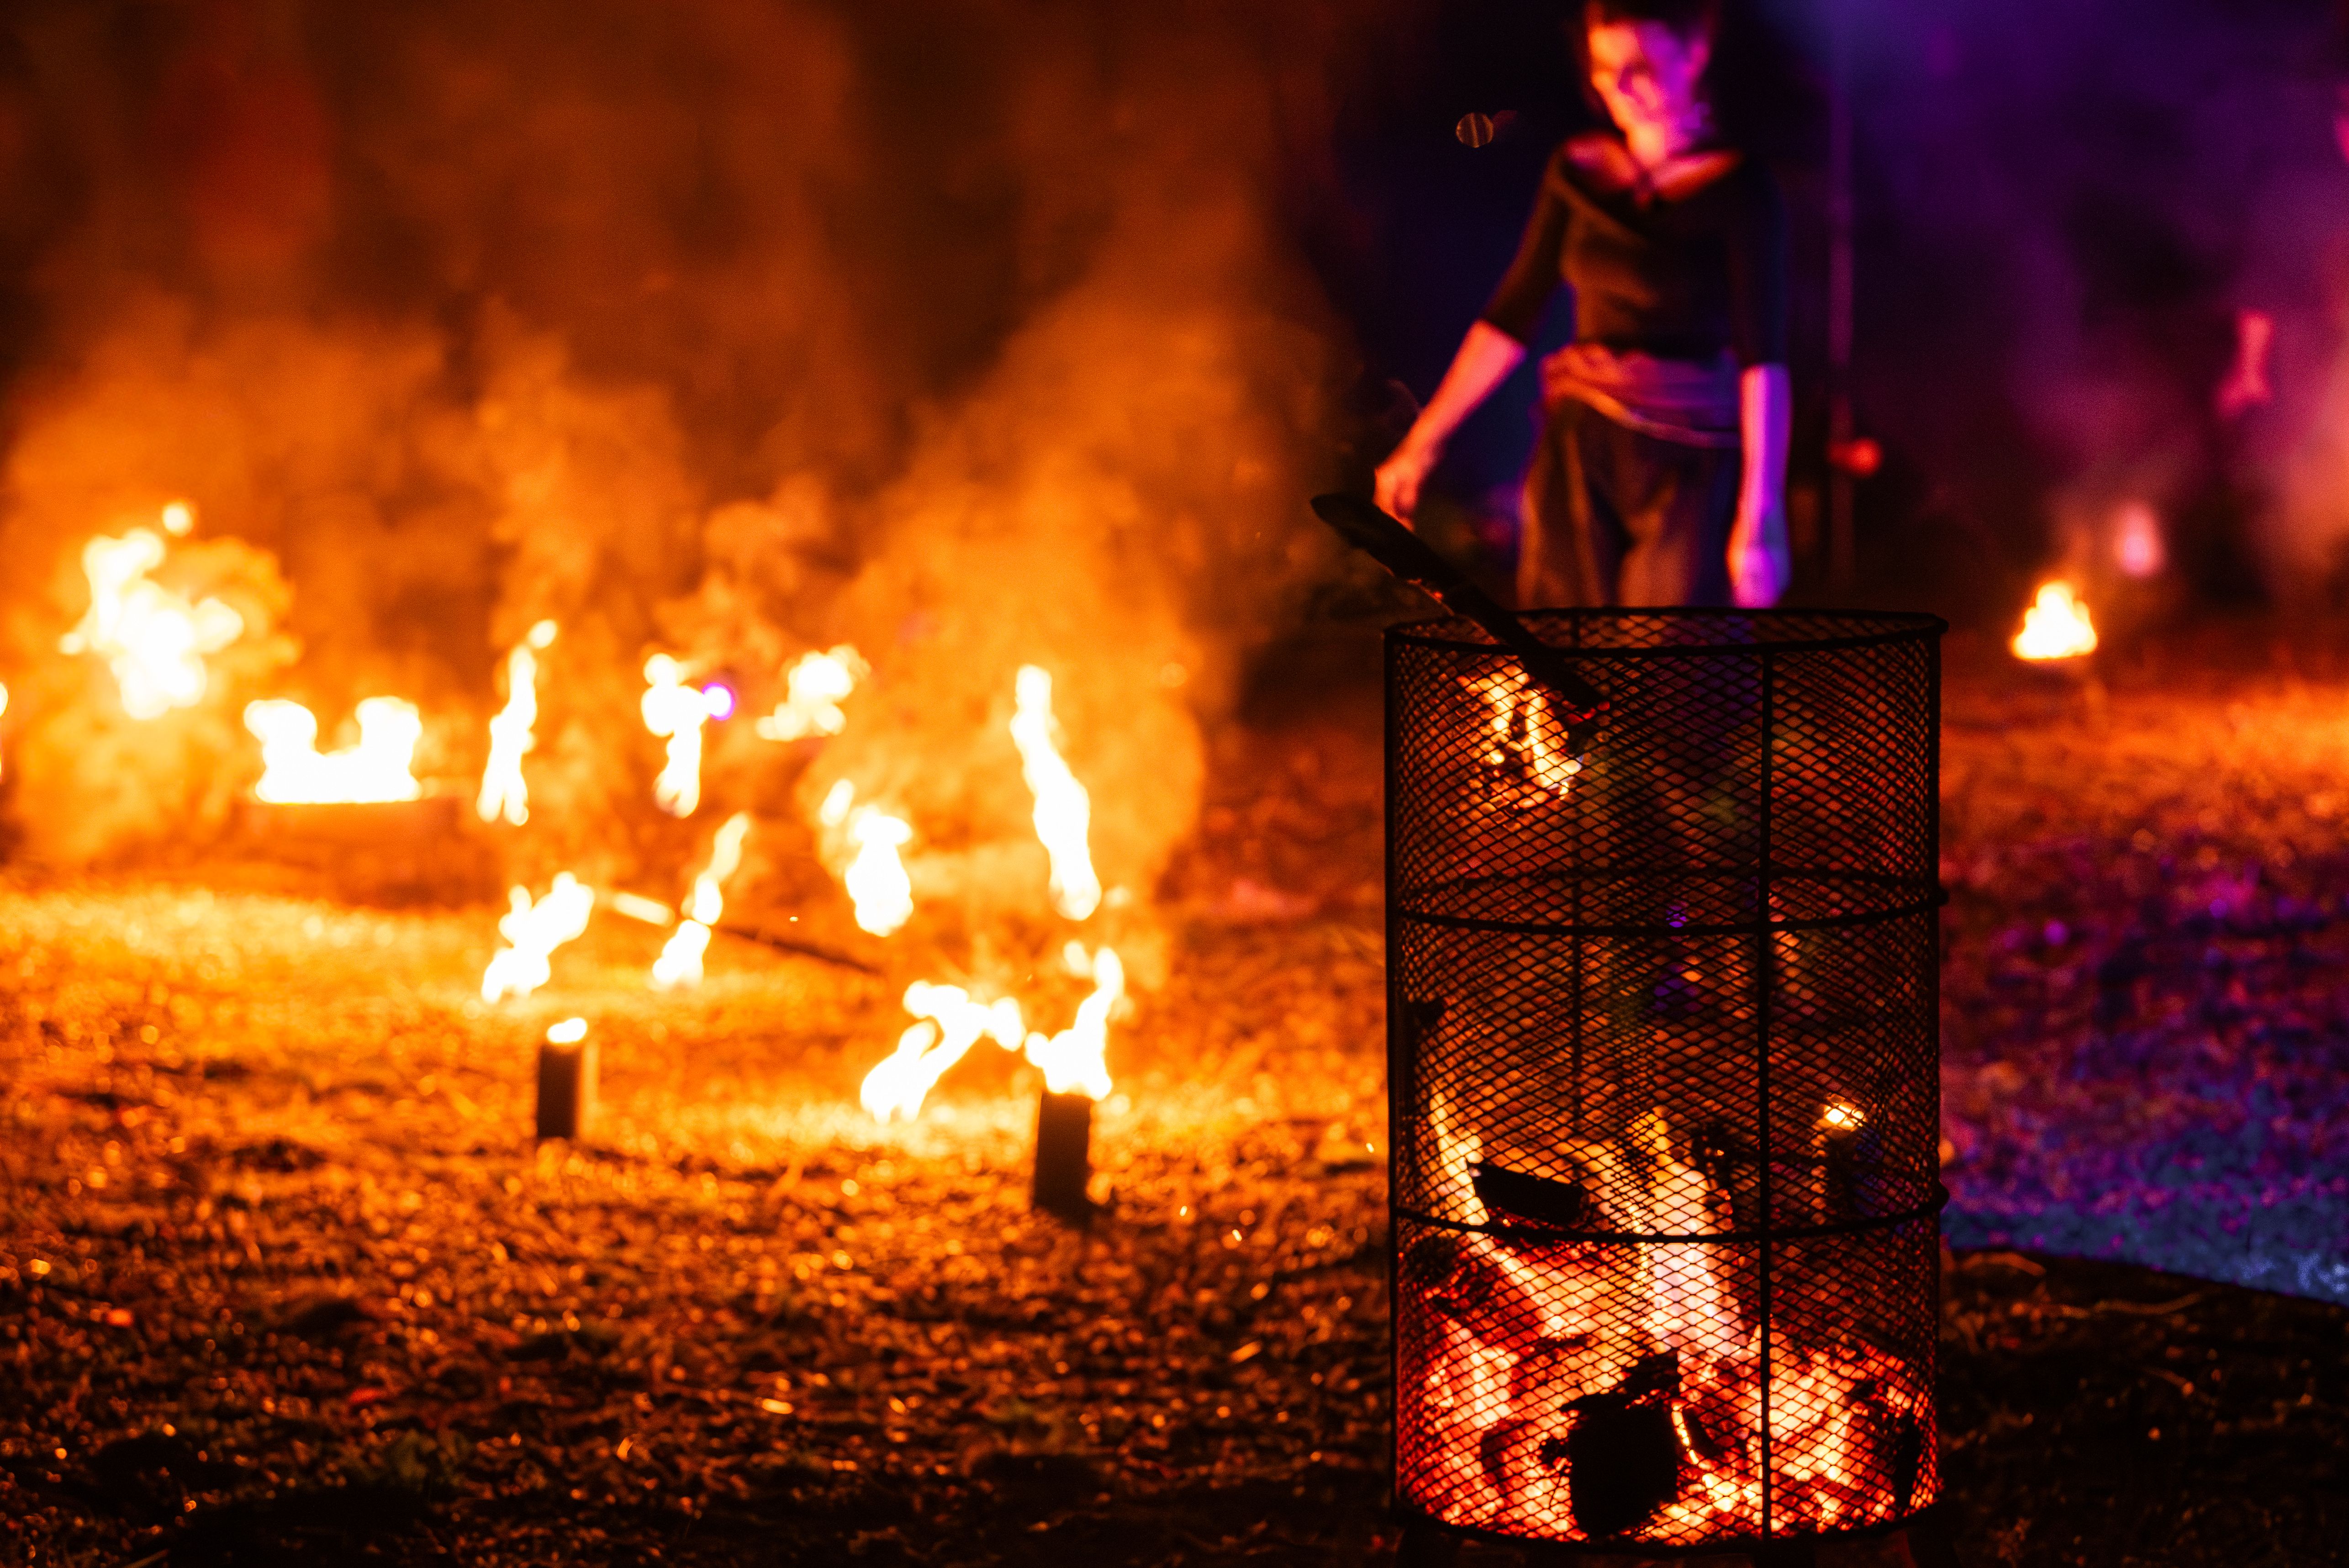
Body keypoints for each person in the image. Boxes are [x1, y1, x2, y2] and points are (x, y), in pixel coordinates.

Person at [1374, 0, 1791, 611]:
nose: (1617, 85)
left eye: (1641, 64)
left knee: (1670, 665)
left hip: (1687, 460)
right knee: (1567, 645)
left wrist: (1763, 513)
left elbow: (1765, 358)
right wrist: (1423, 441)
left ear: (1696, 53)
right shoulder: (1578, 170)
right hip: (1581, 446)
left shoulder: (1740, 191)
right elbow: (1512, 314)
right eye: (1603, 64)